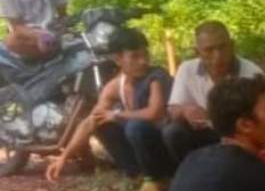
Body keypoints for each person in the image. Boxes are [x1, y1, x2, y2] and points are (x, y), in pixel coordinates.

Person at [46, 28, 174, 183]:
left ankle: (158, 178)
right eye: (135, 56)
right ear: (118, 58)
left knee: (135, 126)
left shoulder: (157, 76)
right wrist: (64, 157)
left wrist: (116, 115)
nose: (143, 61)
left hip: (164, 148)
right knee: (101, 123)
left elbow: (154, 113)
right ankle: (137, 175)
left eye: (145, 54)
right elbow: (89, 122)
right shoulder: (114, 86)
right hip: (141, 150)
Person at [162, 21, 262, 165]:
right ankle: (192, 174)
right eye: (209, 50)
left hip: (239, 135)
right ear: (197, 52)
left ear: (232, 45)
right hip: (205, 133)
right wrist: (185, 110)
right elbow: (172, 109)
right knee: (173, 132)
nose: (218, 55)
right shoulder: (187, 69)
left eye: (222, 47)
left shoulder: (252, 73)